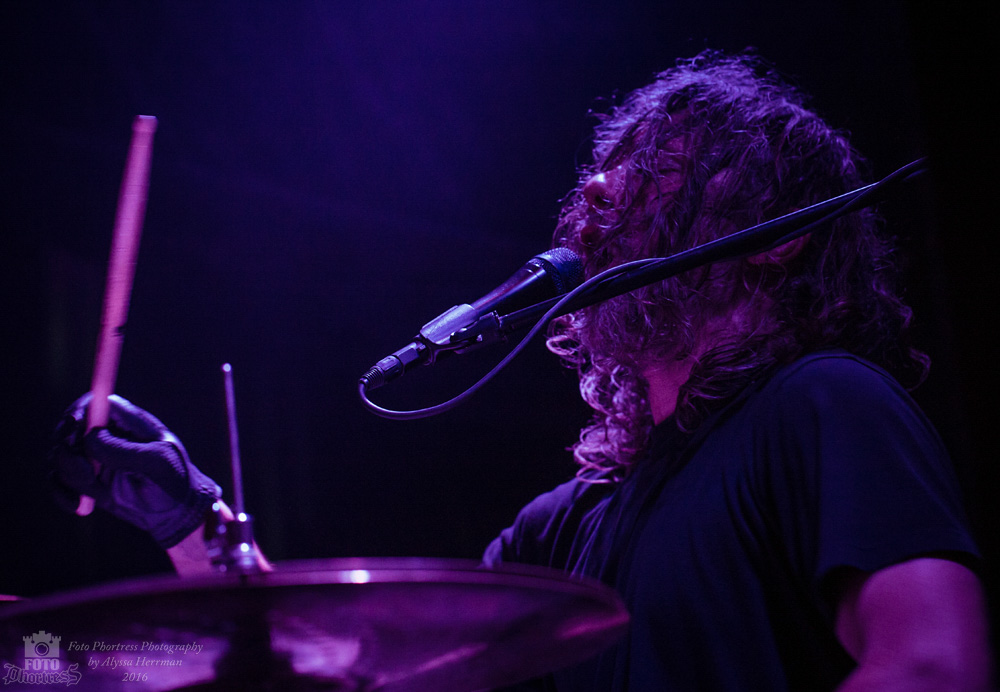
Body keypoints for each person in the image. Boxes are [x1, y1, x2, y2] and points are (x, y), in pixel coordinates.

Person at [51, 51, 992, 690]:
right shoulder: (574, 520)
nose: (597, 187)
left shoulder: (823, 405)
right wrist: (193, 520)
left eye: (660, 167)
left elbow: (932, 668)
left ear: (772, 242)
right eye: (605, 163)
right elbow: (341, 671)